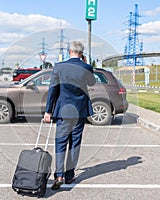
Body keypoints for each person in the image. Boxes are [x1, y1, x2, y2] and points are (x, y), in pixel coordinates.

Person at [43, 41, 96, 190]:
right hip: (80, 110)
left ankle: (59, 175)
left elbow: (53, 89)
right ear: (82, 53)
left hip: (63, 111)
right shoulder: (86, 67)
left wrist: (48, 111)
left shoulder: (59, 67)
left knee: (60, 142)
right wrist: (86, 65)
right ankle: (69, 174)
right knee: (75, 143)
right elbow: (91, 83)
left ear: (69, 51)